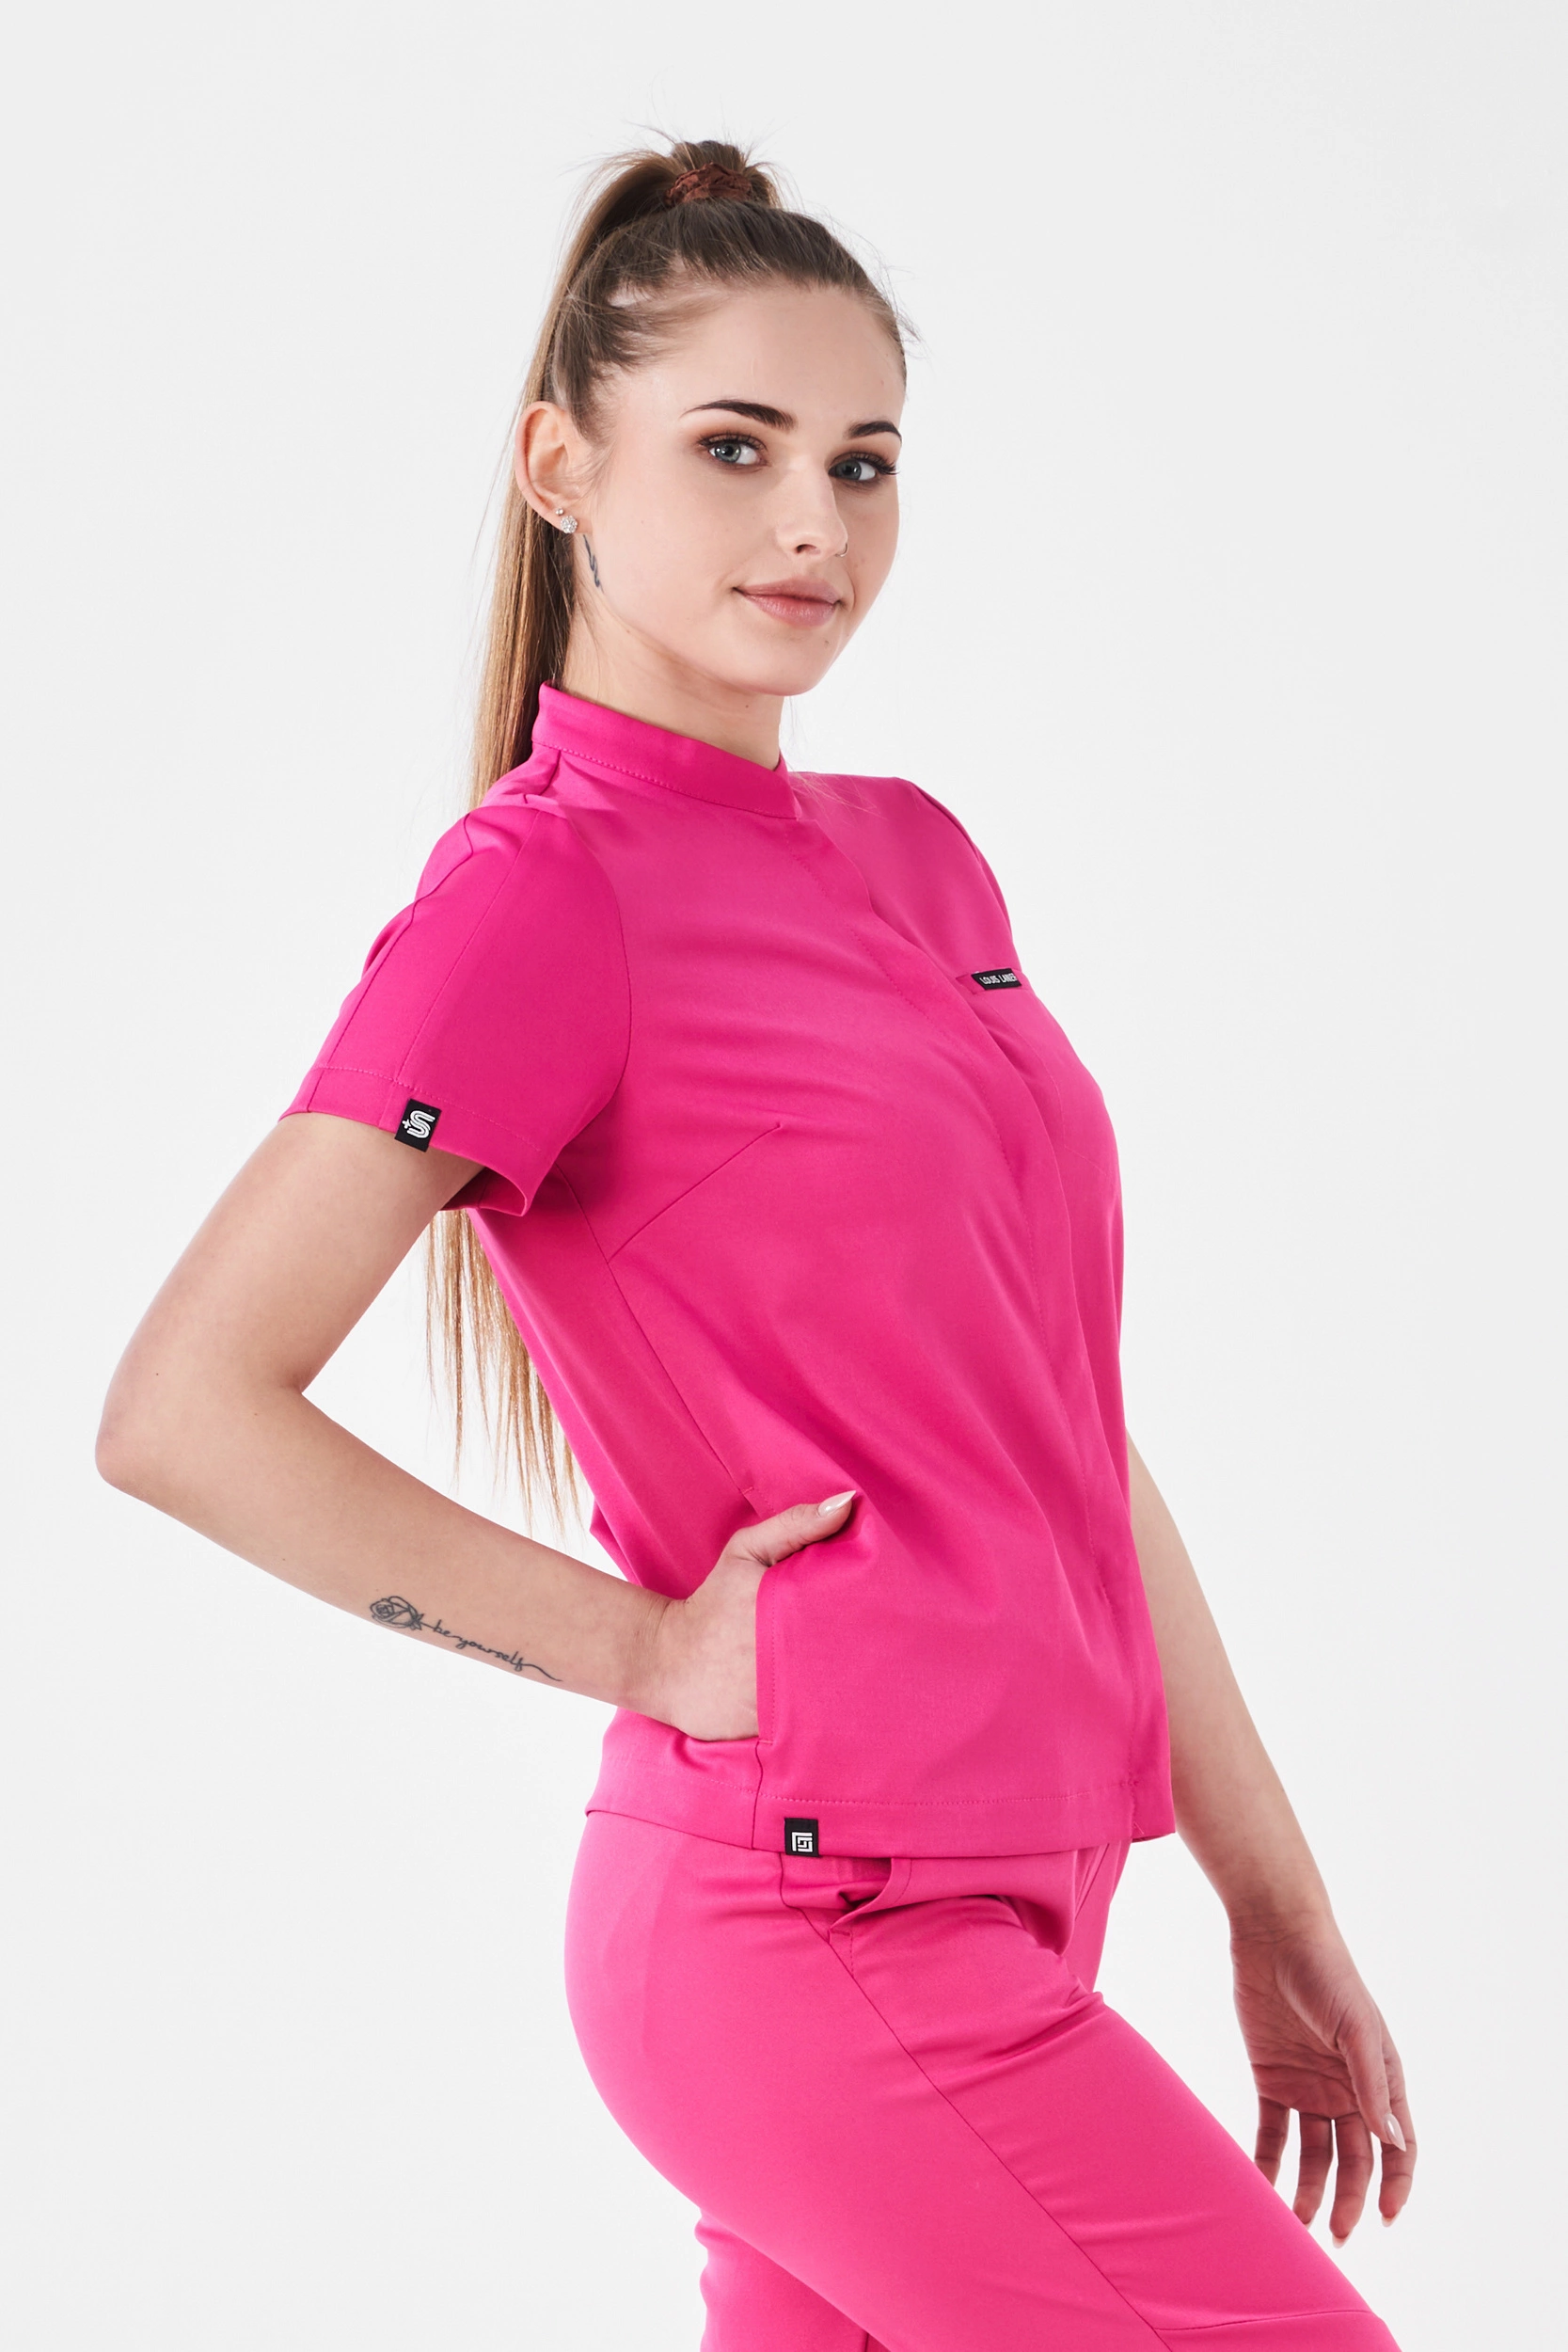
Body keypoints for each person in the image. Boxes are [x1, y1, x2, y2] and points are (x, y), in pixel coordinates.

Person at [97, 138, 1414, 2349]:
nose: (813, 522)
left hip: (1010, 1891)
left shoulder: (921, 861)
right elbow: (184, 1409)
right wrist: (636, 1646)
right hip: (806, 1916)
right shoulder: (538, 896)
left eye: (859, 461)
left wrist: (1269, 1900)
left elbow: (1061, 1420)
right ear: (560, 468)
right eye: (735, 448)